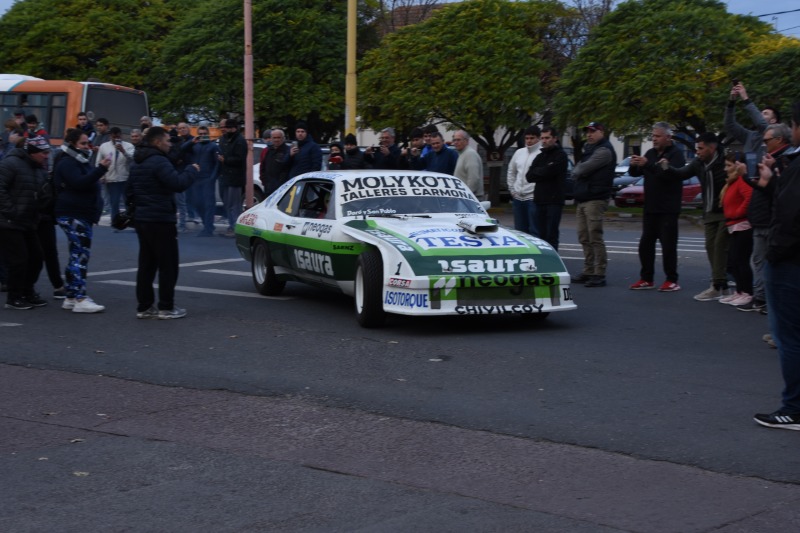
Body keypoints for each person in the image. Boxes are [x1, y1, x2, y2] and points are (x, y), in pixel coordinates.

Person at [753, 101, 800, 430]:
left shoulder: (795, 165)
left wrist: (774, 253)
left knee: (789, 336)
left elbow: (786, 217)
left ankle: (793, 407)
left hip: (789, 260)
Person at [127, 126, 199, 319]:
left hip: (142, 218)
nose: (170, 144)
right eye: (167, 141)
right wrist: (191, 171)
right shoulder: (159, 161)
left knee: (146, 264)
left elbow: (129, 192)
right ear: (157, 142)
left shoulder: (137, 162)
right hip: (160, 219)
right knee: (168, 264)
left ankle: (144, 306)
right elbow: (177, 183)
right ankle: (166, 306)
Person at [664, 132, 729, 301]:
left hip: (726, 212)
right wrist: (666, 167)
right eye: (696, 149)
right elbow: (681, 174)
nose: (697, 152)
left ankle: (717, 285)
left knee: (720, 246)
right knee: (710, 247)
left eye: (700, 148)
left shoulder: (725, 162)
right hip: (708, 212)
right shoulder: (698, 163)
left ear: (712, 148)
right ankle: (721, 283)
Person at [53, 128, 111, 313]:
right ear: (73, 144)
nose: (88, 147)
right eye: (83, 144)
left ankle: (71, 296)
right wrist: (100, 168)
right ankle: (80, 297)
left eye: (88, 143)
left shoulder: (79, 160)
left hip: (80, 213)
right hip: (73, 213)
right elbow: (79, 183)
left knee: (76, 254)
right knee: (80, 255)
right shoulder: (68, 162)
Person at [738, 123, 792, 313]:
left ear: (779, 140)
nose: (764, 143)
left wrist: (766, 178)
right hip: (762, 217)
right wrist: (748, 177)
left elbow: (778, 192)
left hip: (771, 220)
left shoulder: (785, 160)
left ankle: (765, 299)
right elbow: (763, 186)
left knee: (766, 263)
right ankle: (762, 298)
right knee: (760, 261)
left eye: (767, 140)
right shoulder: (772, 159)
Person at [627, 122, 687, 291]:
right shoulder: (650, 153)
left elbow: (668, 175)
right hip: (651, 207)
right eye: (653, 136)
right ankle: (646, 278)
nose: (654, 139)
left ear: (668, 137)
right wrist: (635, 164)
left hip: (668, 208)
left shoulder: (676, 154)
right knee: (645, 244)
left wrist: (648, 165)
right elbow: (636, 173)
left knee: (668, 246)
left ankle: (671, 279)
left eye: (658, 136)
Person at [0, 135, 52, 309]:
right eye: (43, 153)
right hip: (9, 221)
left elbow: (41, 194)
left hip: (28, 221)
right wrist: (11, 211)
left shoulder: (39, 169)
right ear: (33, 152)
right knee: (19, 260)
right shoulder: (11, 163)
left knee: (37, 257)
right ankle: (14, 297)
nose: (46, 156)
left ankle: (27, 291)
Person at [571, 121, 616, 288]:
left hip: (595, 199)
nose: (589, 134)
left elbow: (581, 169)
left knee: (595, 236)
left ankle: (599, 273)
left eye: (593, 131)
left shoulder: (604, 151)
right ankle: (588, 270)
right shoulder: (590, 150)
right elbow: (580, 169)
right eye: (587, 132)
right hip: (584, 197)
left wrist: (578, 171)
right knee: (584, 236)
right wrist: (579, 171)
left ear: (601, 132)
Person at [717, 152, 754, 307]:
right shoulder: (732, 182)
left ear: (738, 165)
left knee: (741, 261)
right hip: (733, 225)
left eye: (729, 165)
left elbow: (749, 197)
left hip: (742, 225)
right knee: (734, 260)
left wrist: (738, 213)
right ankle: (739, 291)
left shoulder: (742, 181)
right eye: (726, 165)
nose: (726, 169)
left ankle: (747, 292)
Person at [525, 126, 569, 250]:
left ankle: (553, 261)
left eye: (547, 138)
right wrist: (544, 171)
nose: (544, 141)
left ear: (555, 138)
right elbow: (529, 176)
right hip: (539, 200)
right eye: (542, 138)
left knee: (551, 234)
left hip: (554, 201)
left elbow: (551, 171)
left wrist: (541, 171)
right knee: (539, 234)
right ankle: (543, 260)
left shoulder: (561, 156)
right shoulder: (540, 156)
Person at [725, 81, 778, 160]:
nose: (761, 115)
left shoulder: (776, 135)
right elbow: (729, 124)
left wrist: (745, 98)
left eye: (765, 114)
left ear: (773, 120)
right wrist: (731, 101)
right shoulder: (749, 136)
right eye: (761, 113)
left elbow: (760, 123)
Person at [183, 125, 219, 237]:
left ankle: (208, 228)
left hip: (207, 179)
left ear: (208, 134)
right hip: (196, 179)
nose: (203, 136)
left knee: (209, 205)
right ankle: (207, 224)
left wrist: (212, 178)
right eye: (201, 134)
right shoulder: (195, 145)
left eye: (204, 134)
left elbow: (217, 164)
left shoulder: (213, 146)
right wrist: (191, 142)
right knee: (197, 203)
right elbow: (182, 149)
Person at [97, 127, 135, 225]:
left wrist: (123, 151)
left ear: (121, 135)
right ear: (110, 136)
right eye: (113, 137)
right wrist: (101, 176)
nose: (115, 139)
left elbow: (133, 159)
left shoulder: (128, 146)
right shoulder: (104, 146)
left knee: (128, 201)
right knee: (114, 202)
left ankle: (130, 222)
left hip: (125, 177)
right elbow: (98, 162)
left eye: (117, 137)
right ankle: (115, 222)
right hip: (111, 178)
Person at [507, 126, 541, 234]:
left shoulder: (541, 153)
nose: (529, 141)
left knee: (534, 231)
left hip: (532, 198)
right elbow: (511, 171)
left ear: (538, 138)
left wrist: (536, 193)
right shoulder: (519, 152)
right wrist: (512, 190)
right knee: (520, 231)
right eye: (527, 138)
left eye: (532, 138)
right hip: (518, 198)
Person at [217, 118, 247, 237]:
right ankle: (231, 226)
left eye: (230, 128)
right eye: (226, 127)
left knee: (234, 204)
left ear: (235, 128)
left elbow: (240, 159)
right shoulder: (223, 139)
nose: (227, 130)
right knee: (227, 204)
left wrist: (225, 160)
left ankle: (236, 227)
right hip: (225, 176)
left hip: (235, 178)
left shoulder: (240, 141)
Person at [452, 129, 484, 199]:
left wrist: (466, 196)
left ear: (466, 141)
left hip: (470, 199)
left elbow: (474, 179)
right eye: (454, 140)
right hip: (465, 198)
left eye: (458, 140)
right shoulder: (462, 154)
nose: (456, 142)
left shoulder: (469, 154)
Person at [260, 128, 291, 196]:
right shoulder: (268, 151)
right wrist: (265, 181)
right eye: (274, 138)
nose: (276, 140)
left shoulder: (288, 151)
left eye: (278, 137)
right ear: (271, 138)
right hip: (269, 188)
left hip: (283, 187)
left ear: (283, 138)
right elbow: (263, 167)